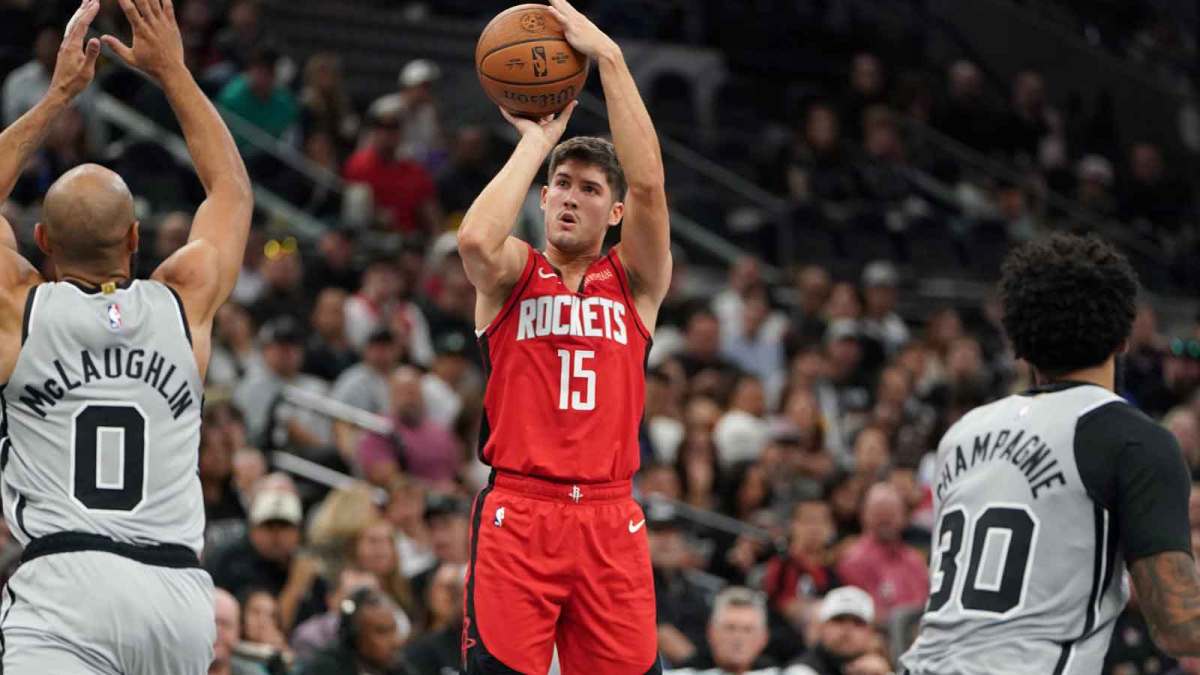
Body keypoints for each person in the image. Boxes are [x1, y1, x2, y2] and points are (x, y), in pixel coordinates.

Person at [0, 1, 252, 672]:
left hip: (65, 584)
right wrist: (172, 73)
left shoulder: (18, 310)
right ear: (137, 240)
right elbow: (230, 189)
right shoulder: (182, 300)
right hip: (174, 593)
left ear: (43, 242)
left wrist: (57, 97)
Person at [455, 0, 671, 671]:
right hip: (521, 510)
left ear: (614, 212)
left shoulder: (634, 281)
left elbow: (651, 184)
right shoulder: (514, 272)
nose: (571, 196)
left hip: (611, 517)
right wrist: (534, 144)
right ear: (544, 199)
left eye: (589, 189)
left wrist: (609, 60)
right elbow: (472, 238)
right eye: (562, 186)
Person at [901, 234, 1200, 674]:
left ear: (1017, 343)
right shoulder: (1135, 439)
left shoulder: (962, 434)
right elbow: (1179, 625)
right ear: (1123, 338)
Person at [791, 587, 891, 675]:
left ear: (872, 632)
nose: (847, 629)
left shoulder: (880, 667)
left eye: (858, 623)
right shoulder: (801, 671)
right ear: (822, 627)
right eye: (839, 620)